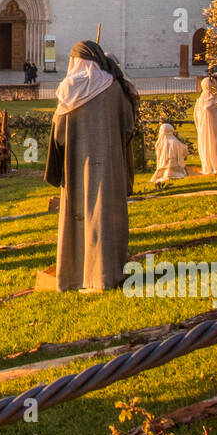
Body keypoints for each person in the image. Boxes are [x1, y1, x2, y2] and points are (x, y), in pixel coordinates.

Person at [45, 41, 140, 291]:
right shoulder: (115, 89)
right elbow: (129, 125)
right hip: (109, 169)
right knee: (106, 216)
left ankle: (73, 277)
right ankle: (107, 274)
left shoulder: (67, 92)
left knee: (76, 220)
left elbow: (58, 136)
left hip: (76, 169)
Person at [194, 76, 217, 174]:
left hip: (216, 129)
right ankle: (208, 165)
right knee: (206, 146)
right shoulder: (201, 101)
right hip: (205, 130)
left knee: (216, 146)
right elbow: (196, 117)